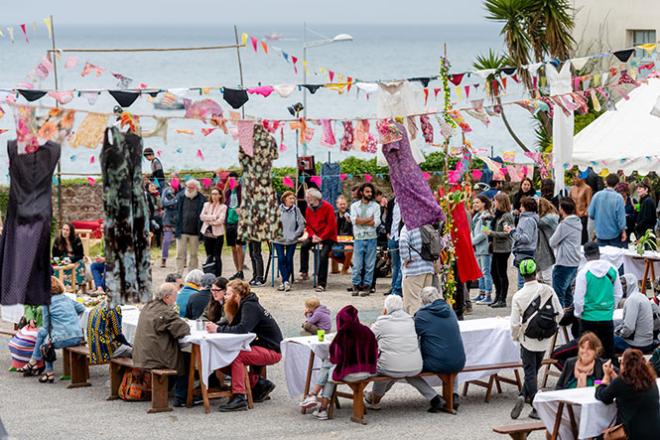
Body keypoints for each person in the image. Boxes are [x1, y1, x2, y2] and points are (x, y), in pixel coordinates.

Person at [205, 280, 283, 411]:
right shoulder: (243, 304)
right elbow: (231, 324)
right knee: (223, 358)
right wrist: (217, 326)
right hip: (260, 346)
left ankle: (239, 397)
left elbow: (242, 329)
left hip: (272, 350)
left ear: (236, 295)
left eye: (228, 294)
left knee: (236, 356)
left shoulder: (249, 306)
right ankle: (259, 383)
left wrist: (217, 329)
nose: (225, 296)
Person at [364, 295, 445, 413]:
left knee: (383, 371)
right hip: (415, 365)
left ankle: (374, 400)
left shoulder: (381, 323)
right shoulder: (411, 320)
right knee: (405, 371)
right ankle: (434, 398)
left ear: (386, 309)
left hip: (391, 366)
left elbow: (367, 338)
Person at [298, 305, 378, 420]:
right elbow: (374, 352)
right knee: (330, 369)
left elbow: (335, 358)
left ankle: (316, 398)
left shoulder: (342, 335)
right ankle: (320, 406)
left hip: (350, 372)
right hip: (368, 370)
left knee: (329, 365)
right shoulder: (367, 331)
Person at [509, 259, 563, 420]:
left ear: (522, 274)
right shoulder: (548, 290)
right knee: (534, 370)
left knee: (530, 371)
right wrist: (550, 328)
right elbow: (559, 313)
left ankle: (535, 405)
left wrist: (517, 336)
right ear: (536, 272)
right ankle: (523, 393)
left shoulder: (518, 296)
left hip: (528, 338)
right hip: (544, 338)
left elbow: (514, 323)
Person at [133, 283, 191, 407]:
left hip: (142, 354)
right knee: (187, 359)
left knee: (182, 356)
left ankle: (173, 389)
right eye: (175, 295)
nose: (176, 298)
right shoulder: (165, 311)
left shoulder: (148, 306)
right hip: (155, 357)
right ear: (166, 297)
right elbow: (183, 330)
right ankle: (181, 396)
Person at [23, 277, 85, 383]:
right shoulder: (67, 298)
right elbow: (82, 309)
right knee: (46, 338)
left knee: (45, 344)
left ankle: (45, 370)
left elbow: (46, 327)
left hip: (63, 339)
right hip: (78, 336)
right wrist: (69, 318)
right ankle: (39, 366)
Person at [414, 286, 465, 407]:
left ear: (424, 301)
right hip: (459, 360)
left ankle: (434, 397)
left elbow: (412, 335)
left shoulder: (422, 315)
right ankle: (454, 394)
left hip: (436, 362)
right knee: (452, 358)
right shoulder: (450, 310)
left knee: (409, 371)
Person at [595, 349, 660, 440]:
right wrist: (612, 373)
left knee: (598, 436)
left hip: (632, 434)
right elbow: (624, 388)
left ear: (624, 364)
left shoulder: (622, 382)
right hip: (655, 432)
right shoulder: (650, 380)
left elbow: (603, 396)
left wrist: (606, 376)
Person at [574, 242, 623, 361]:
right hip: (606, 318)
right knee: (608, 354)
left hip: (588, 319)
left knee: (588, 355)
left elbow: (578, 299)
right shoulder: (612, 270)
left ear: (585, 256)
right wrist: (610, 308)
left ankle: (593, 379)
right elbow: (618, 294)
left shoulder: (583, 272)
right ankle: (605, 379)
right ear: (599, 254)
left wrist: (579, 314)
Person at [299, 188, 337, 293]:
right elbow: (309, 225)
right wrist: (313, 235)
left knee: (323, 255)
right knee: (304, 246)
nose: (306, 199)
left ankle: (321, 283)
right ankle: (304, 270)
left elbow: (331, 226)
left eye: (308, 197)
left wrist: (322, 237)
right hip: (315, 235)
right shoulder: (308, 209)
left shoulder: (327, 207)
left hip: (328, 236)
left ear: (314, 198)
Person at [549, 198, 583, 307]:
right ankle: (570, 318)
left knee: (558, 293)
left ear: (562, 209)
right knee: (568, 293)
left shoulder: (564, 225)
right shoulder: (578, 222)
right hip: (574, 261)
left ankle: (560, 320)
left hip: (563, 262)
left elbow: (552, 242)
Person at [350, 183, 381, 296]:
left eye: (371, 192)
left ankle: (367, 285)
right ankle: (356, 284)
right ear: (362, 192)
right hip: (358, 237)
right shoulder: (354, 206)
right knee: (357, 264)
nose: (369, 194)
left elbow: (376, 222)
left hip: (371, 237)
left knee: (369, 264)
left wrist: (361, 220)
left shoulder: (376, 206)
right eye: (367, 191)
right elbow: (354, 220)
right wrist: (368, 219)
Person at [484, 192, 514, 308]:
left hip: (503, 248)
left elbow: (507, 233)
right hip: (496, 248)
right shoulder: (498, 215)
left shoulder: (506, 216)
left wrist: (492, 233)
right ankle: (497, 296)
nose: (493, 203)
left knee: (501, 273)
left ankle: (502, 298)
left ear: (500, 202)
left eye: (495, 201)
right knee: (494, 272)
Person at [399, 224, 437, 314]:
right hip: (428, 268)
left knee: (413, 303)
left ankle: (416, 325)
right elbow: (440, 243)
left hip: (413, 271)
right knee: (427, 302)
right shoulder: (428, 226)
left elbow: (403, 241)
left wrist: (406, 258)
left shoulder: (408, 226)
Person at [615, 273, 656, 354]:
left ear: (630, 284)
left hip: (638, 345)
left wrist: (619, 334)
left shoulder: (632, 300)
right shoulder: (642, 296)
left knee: (607, 339)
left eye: (623, 283)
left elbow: (629, 328)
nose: (621, 287)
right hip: (647, 342)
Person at [274, 191, 305, 292]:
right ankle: (286, 281)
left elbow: (301, 224)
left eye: (293, 198)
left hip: (292, 239)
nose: (292, 200)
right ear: (284, 199)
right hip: (279, 239)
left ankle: (284, 282)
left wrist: (295, 234)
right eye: (290, 198)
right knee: (281, 258)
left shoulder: (296, 210)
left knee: (288, 259)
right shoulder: (277, 210)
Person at [506, 196, 539, 290]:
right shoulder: (526, 218)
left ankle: (522, 301)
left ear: (526, 207)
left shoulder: (528, 220)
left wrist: (512, 232)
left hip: (524, 252)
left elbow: (526, 238)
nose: (520, 208)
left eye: (522, 206)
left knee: (523, 281)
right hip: (524, 252)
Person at [175, 179, 206, 274]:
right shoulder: (180, 197)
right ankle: (178, 273)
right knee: (180, 254)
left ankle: (191, 274)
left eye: (191, 187)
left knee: (193, 254)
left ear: (196, 188)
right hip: (182, 231)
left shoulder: (202, 199)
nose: (189, 189)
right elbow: (176, 212)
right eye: (187, 187)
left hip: (195, 232)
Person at [87, 296, 128, 365]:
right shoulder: (114, 308)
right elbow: (118, 334)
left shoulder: (98, 305)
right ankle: (125, 375)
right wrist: (129, 345)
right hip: (105, 350)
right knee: (134, 353)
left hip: (93, 350)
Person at [588, 173, 626, 247]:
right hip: (614, 234)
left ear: (606, 182)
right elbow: (621, 219)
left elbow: (591, 214)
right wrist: (623, 231)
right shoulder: (618, 198)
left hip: (600, 234)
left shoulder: (597, 195)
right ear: (617, 184)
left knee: (602, 257)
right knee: (614, 257)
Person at [471, 195, 494, 305]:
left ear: (483, 203)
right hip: (477, 248)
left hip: (484, 248)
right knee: (479, 272)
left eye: (477, 202)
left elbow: (484, 232)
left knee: (485, 272)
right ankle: (481, 293)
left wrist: (472, 242)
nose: (475, 205)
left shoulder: (486, 216)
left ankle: (488, 294)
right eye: (474, 203)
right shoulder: (476, 216)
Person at [200, 187, 227, 277]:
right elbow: (202, 216)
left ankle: (218, 275)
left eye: (216, 194)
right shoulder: (206, 205)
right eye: (212, 194)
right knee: (209, 255)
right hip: (207, 233)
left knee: (217, 255)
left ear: (220, 195)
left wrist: (209, 219)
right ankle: (209, 274)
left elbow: (221, 220)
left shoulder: (223, 207)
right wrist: (214, 217)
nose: (214, 196)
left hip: (218, 234)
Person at [8, 306, 43, 372]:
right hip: (31, 326)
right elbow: (27, 306)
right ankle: (22, 363)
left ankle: (36, 364)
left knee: (28, 342)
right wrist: (30, 319)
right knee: (15, 343)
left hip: (41, 325)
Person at [224, 171, 245, 280]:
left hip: (239, 222)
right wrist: (227, 186)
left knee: (239, 246)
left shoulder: (241, 190)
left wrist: (242, 209)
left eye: (234, 180)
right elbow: (223, 200)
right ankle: (237, 270)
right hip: (229, 221)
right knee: (233, 247)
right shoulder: (228, 192)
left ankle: (241, 270)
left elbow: (247, 201)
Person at [51, 222, 86, 288]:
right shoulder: (58, 240)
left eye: (67, 230)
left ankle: (76, 286)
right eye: (63, 229)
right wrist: (60, 262)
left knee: (80, 264)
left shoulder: (77, 240)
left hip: (75, 259)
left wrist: (70, 259)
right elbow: (55, 255)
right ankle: (61, 287)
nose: (65, 232)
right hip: (62, 259)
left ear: (71, 232)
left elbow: (80, 255)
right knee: (56, 267)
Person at [536, 198, 559, 284]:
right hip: (552, 246)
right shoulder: (552, 216)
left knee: (547, 277)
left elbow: (536, 222)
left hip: (550, 248)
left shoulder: (548, 218)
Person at [330, 195, 353, 275]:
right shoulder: (334, 214)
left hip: (348, 240)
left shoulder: (351, 214)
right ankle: (350, 264)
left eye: (344, 204)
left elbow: (354, 229)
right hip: (336, 239)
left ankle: (345, 268)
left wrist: (351, 222)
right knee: (326, 251)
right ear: (337, 205)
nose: (343, 206)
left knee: (348, 249)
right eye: (341, 204)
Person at [385, 197, 403, 296]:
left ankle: (397, 288)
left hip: (402, 236)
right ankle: (394, 287)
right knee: (394, 265)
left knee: (402, 264)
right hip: (392, 235)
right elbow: (389, 218)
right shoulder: (391, 202)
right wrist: (388, 232)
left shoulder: (406, 201)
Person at [160, 179, 179, 268]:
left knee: (182, 240)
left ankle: (183, 260)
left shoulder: (182, 190)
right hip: (168, 218)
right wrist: (175, 201)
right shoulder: (166, 190)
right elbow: (163, 203)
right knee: (167, 240)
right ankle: (163, 259)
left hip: (179, 218)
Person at [569, 175, 593, 244]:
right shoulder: (572, 188)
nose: (574, 180)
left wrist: (585, 213)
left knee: (582, 237)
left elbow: (589, 203)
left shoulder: (587, 188)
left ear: (581, 178)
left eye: (576, 178)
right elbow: (569, 201)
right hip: (572, 215)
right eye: (573, 178)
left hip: (582, 216)